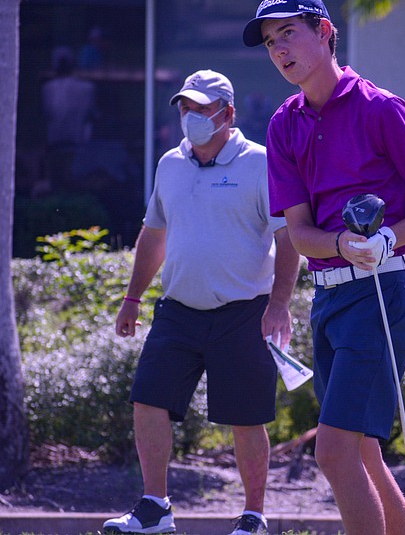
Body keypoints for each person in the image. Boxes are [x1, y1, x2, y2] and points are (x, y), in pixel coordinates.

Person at [243, 0, 405, 535]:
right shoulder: (283, 124)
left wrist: (387, 238)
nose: (279, 49)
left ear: (325, 32)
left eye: (288, 33)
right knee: (361, 451)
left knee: (334, 453)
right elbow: (302, 233)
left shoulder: (381, 108)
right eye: (270, 42)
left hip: (380, 293)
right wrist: (341, 245)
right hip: (330, 298)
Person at [103, 69, 300, 535]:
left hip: (244, 313)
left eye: (201, 108)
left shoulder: (260, 163)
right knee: (148, 400)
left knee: (246, 418)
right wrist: (132, 297)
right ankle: (155, 508)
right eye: (185, 108)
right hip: (178, 311)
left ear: (227, 114)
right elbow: (154, 235)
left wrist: (279, 304)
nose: (190, 116)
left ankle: (253, 517)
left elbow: (288, 239)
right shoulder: (170, 164)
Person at [41, 46, 97, 192]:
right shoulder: (86, 88)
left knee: (68, 184)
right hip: (65, 145)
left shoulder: (49, 89)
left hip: (73, 146)